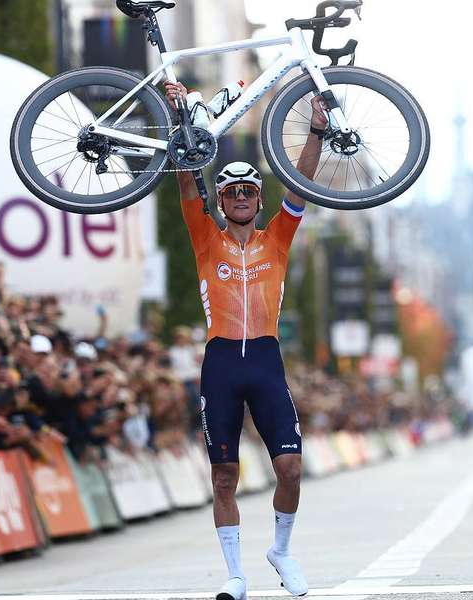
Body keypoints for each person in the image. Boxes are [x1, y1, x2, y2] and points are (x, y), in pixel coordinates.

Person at [165, 81, 326, 600]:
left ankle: (281, 550)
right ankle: (235, 575)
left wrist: (317, 130)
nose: (237, 197)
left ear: (258, 199)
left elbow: (300, 181)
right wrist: (178, 115)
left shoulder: (276, 237)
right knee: (224, 477)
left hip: (264, 357)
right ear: (223, 200)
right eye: (230, 191)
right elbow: (187, 177)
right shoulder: (204, 236)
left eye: (247, 191)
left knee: (291, 469)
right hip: (219, 363)